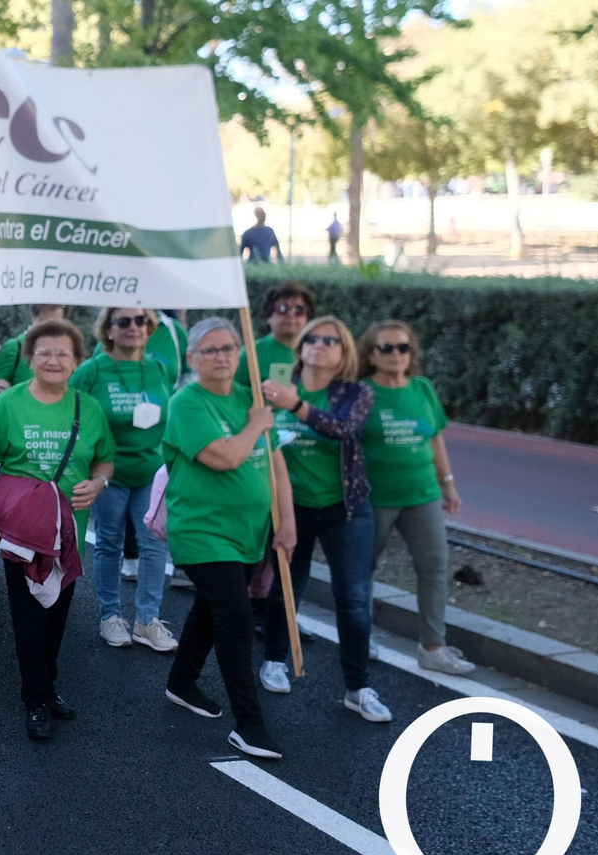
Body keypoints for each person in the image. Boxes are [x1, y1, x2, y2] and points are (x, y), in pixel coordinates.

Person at [0, 319, 115, 740]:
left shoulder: (88, 408)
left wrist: (99, 482)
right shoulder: (7, 405)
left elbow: (105, 459)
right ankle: (35, 697)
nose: (53, 360)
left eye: (63, 354)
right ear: (29, 358)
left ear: (77, 361)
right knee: (29, 609)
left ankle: (46, 685)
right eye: (44, 353)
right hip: (23, 528)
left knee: (58, 609)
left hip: (68, 530)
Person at [160, 317, 293, 761]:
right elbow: (226, 458)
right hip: (201, 532)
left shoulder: (248, 398)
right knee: (235, 615)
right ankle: (250, 725)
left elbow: (275, 465)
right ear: (193, 358)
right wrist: (257, 423)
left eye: (229, 349)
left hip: (249, 534)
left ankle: (182, 681)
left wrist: (287, 522)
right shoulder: (186, 402)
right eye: (211, 350)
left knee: (210, 607)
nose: (222, 357)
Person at [258, 315, 389, 720]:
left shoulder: (356, 392)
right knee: (285, 590)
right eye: (312, 338)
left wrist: (294, 406)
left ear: (344, 351)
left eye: (330, 340)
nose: (319, 344)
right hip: (290, 508)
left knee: (351, 599)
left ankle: (358, 686)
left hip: (344, 509)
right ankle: (276, 659)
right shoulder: (277, 387)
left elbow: (342, 428)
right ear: (300, 345)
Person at [361, 321, 471, 679]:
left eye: (403, 348)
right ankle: (359, 640)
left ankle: (433, 648)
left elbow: (435, 439)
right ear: (371, 354)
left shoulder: (422, 388)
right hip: (375, 497)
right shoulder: (361, 393)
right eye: (387, 348)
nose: (397, 355)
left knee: (435, 568)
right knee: (363, 571)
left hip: (421, 495)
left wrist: (448, 484)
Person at [71, 308, 179, 651]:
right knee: (109, 544)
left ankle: (147, 621)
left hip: (151, 473)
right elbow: (71, 413)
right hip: (108, 473)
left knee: (153, 545)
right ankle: (110, 616)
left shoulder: (158, 367)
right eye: (124, 321)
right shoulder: (92, 370)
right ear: (109, 330)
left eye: (141, 321)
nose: (135, 327)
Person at [235, 281, 314, 390]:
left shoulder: (316, 353)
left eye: (299, 310)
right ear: (269, 316)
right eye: (283, 308)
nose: (291, 315)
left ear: (307, 318)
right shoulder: (250, 354)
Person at [0, 304, 66, 391]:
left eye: (56, 324)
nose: (50, 328)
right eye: (44, 322)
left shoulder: (65, 350)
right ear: (33, 320)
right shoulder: (14, 347)